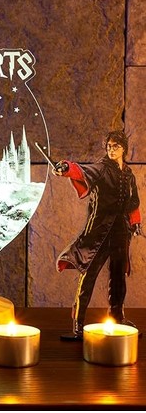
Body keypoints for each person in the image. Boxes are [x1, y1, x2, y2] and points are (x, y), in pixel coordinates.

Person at [52, 130, 141, 340]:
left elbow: (133, 201)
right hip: (100, 230)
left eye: (116, 146)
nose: (111, 150)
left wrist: (134, 222)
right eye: (109, 146)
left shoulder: (129, 174)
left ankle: (117, 317)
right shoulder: (102, 168)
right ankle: (78, 325)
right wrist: (65, 168)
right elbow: (82, 171)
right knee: (89, 274)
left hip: (120, 231)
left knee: (118, 276)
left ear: (123, 149)